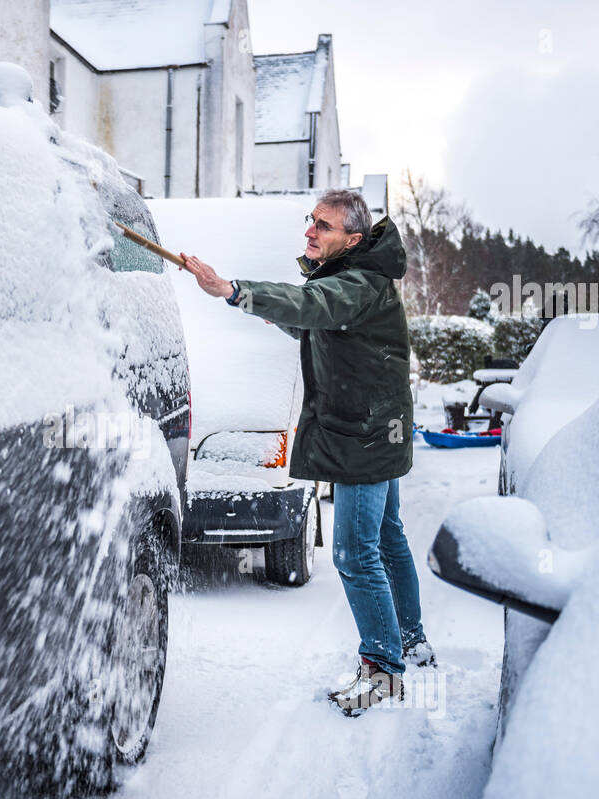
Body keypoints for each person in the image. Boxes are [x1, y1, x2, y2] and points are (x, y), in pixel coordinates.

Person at [180, 189, 435, 716]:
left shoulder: (359, 282)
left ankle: (384, 669)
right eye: (310, 221)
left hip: (363, 437)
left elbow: (316, 305)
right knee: (388, 539)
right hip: (374, 430)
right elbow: (318, 321)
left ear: (353, 239)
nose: (309, 232)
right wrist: (269, 312)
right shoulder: (357, 283)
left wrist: (232, 291)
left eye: (322, 225)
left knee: (354, 553)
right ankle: (410, 640)